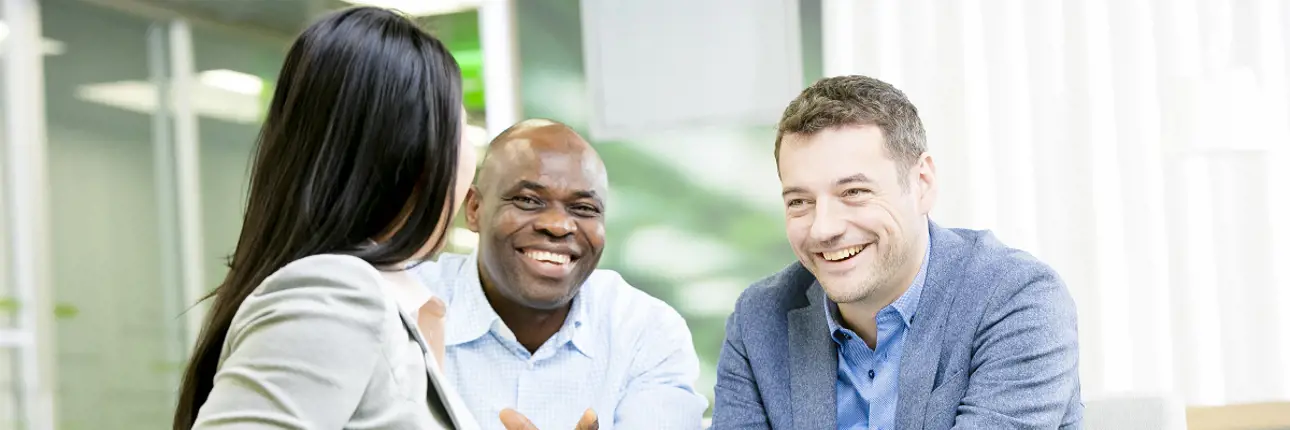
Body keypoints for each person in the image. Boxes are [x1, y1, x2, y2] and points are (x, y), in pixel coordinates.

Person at [711, 75, 1082, 429]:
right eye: (799, 201)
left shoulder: (1017, 298)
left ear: (921, 184)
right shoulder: (759, 319)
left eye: (853, 192)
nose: (823, 228)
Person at [172, 7, 482, 429]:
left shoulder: (373, 300)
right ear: (413, 148)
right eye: (461, 128)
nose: (471, 157)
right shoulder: (336, 294)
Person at [414, 119, 708, 430]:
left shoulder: (645, 332)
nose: (557, 225)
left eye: (583, 208)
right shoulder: (405, 309)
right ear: (474, 209)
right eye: (528, 200)